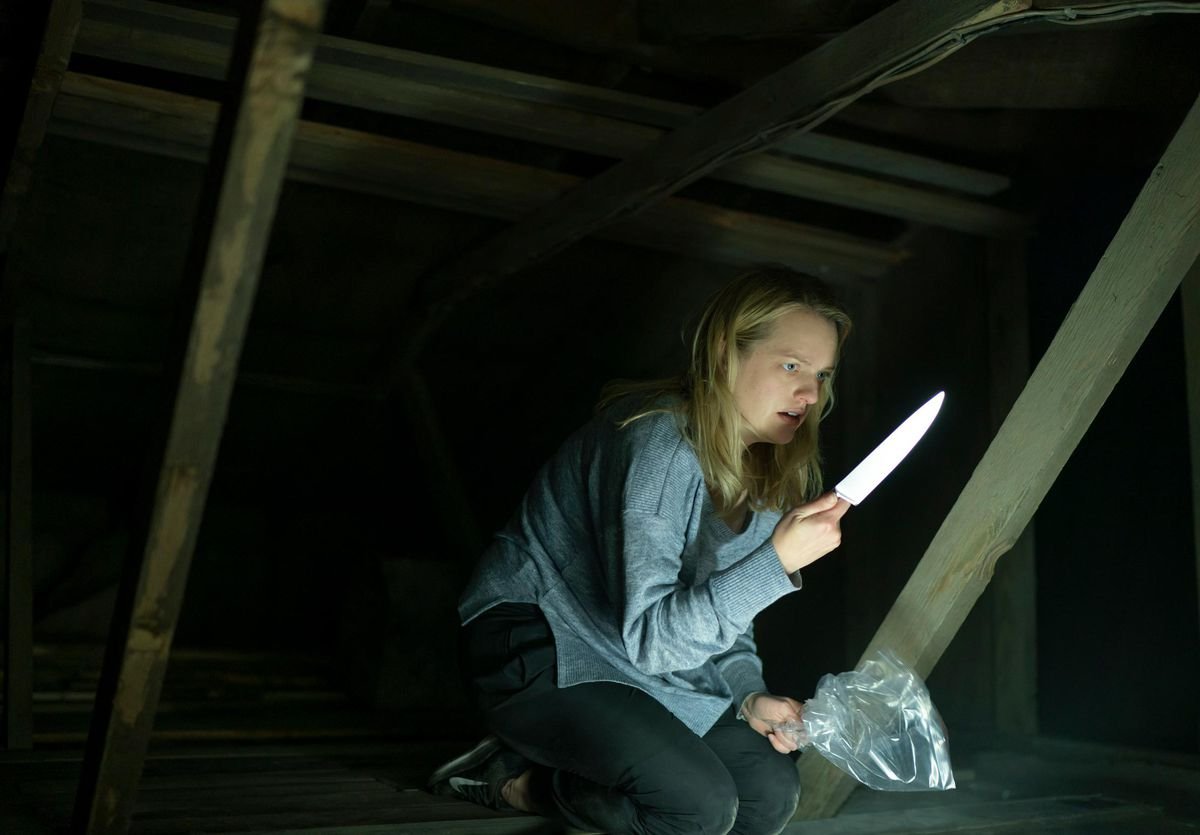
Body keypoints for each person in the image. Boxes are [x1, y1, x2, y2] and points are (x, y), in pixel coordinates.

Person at [428, 266, 854, 835]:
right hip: (539, 643)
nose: (809, 394)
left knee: (767, 795)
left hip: (633, 656)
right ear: (727, 352)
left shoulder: (770, 476)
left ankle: (567, 768)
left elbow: (725, 620)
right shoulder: (658, 444)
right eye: (791, 365)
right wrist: (775, 564)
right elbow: (655, 640)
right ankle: (515, 780)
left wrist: (748, 694)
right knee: (696, 805)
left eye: (822, 374)